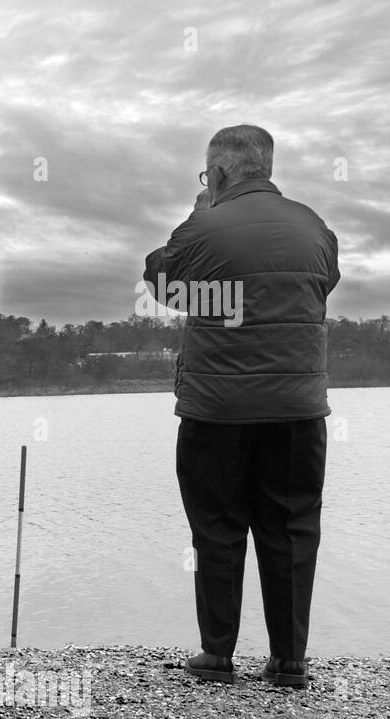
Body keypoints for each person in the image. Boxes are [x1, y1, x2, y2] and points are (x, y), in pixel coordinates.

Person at [144, 124, 340, 689]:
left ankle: (217, 654)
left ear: (221, 173)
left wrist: (199, 213)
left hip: (216, 411)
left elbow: (159, 280)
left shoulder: (202, 225)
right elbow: (321, 284)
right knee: (292, 526)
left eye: (209, 176)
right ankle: (288, 660)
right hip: (298, 410)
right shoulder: (315, 228)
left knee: (218, 527)